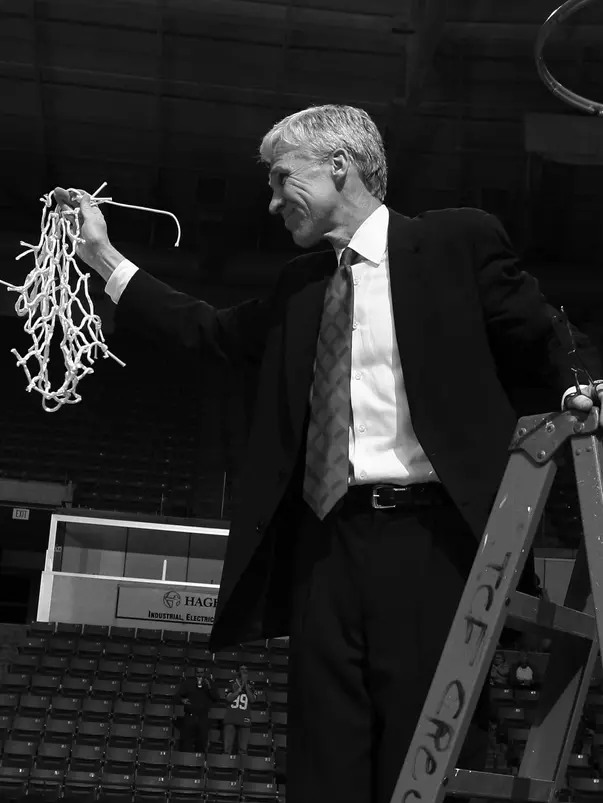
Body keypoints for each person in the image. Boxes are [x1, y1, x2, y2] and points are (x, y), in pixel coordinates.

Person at [54, 103, 603, 803]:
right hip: (322, 545)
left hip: (434, 541)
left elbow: (539, 330)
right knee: (324, 759)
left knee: (422, 752)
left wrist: (575, 385)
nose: (272, 199)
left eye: (282, 178)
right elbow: (209, 333)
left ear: (338, 165)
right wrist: (102, 257)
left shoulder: (454, 240)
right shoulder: (299, 286)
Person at [176, 666, 219, 753]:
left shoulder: (209, 683)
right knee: (186, 743)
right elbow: (177, 696)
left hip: (203, 718)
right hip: (190, 716)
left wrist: (209, 687)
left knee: (201, 743)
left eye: (201, 673)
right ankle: (186, 760)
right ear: (195, 673)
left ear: (204, 673)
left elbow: (216, 698)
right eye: (198, 673)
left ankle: (199, 760)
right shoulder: (188, 682)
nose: (200, 675)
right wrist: (182, 700)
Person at [222, 664, 256, 755]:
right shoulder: (231, 683)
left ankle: (241, 764)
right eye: (242, 669)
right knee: (227, 749)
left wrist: (246, 686)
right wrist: (239, 690)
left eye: (246, 669)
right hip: (231, 718)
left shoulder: (251, 684)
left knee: (243, 750)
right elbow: (228, 699)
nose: (244, 671)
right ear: (238, 671)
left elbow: (252, 700)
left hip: (245, 718)